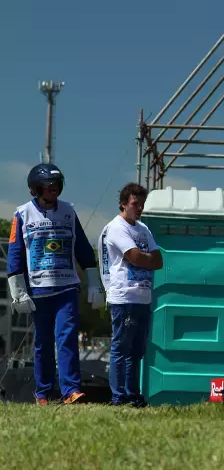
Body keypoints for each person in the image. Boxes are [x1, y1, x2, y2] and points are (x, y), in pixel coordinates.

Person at [6, 163, 105, 405]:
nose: (53, 190)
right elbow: (15, 253)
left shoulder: (69, 212)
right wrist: (18, 292)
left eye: (56, 185)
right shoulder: (22, 214)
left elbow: (83, 248)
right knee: (42, 342)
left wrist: (94, 283)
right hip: (38, 289)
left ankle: (71, 389)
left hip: (66, 287)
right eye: (48, 186)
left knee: (67, 337)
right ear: (35, 188)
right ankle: (44, 392)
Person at [98, 183, 163, 408]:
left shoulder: (143, 229)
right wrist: (144, 257)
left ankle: (133, 395)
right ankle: (119, 396)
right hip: (124, 297)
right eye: (135, 203)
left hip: (143, 297)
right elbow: (134, 257)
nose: (139, 208)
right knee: (121, 347)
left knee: (137, 351)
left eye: (142, 204)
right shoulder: (117, 228)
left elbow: (158, 260)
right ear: (124, 203)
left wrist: (142, 257)